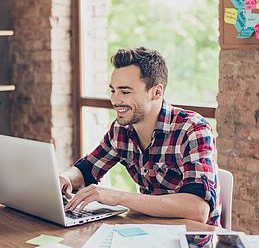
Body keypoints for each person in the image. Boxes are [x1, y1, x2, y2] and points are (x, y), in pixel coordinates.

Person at [60, 47, 221, 226]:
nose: (115, 100)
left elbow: (198, 209)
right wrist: (66, 178)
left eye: (125, 92)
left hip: (194, 241)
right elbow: (87, 169)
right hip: (150, 231)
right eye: (113, 91)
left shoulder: (192, 129)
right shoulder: (121, 130)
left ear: (156, 92)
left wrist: (118, 197)